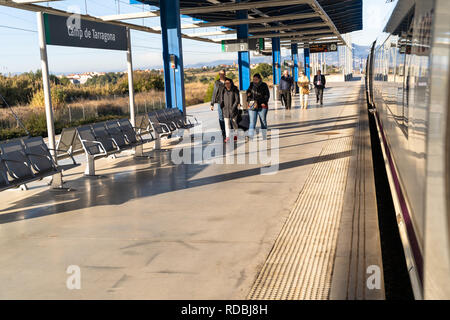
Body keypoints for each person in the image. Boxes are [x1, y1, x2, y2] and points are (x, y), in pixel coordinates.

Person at [246, 74, 270, 139]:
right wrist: (248, 95)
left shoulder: (264, 85)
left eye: (256, 79)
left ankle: (264, 135)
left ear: (259, 79)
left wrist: (263, 102)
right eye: (253, 79)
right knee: (252, 121)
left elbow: (267, 95)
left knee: (263, 121)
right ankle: (250, 135)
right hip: (253, 105)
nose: (254, 81)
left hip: (262, 106)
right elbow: (248, 92)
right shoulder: (251, 84)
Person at [210, 69, 230, 139]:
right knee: (221, 117)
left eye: (223, 74)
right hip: (220, 102)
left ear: (225, 74)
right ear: (219, 74)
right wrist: (212, 104)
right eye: (221, 74)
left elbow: (234, 90)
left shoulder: (229, 81)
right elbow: (214, 93)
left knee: (229, 117)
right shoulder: (217, 82)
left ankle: (229, 132)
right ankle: (223, 132)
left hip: (229, 102)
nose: (222, 75)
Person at [220, 78, 240, 143]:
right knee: (227, 124)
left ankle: (235, 136)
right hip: (225, 110)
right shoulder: (223, 90)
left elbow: (237, 100)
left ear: (231, 83)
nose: (227, 84)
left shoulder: (235, 90)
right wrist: (222, 106)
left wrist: (233, 108)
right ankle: (227, 137)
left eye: (228, 83)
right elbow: (221, 99)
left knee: (234, 124)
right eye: (225, 83)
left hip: (233, 110)